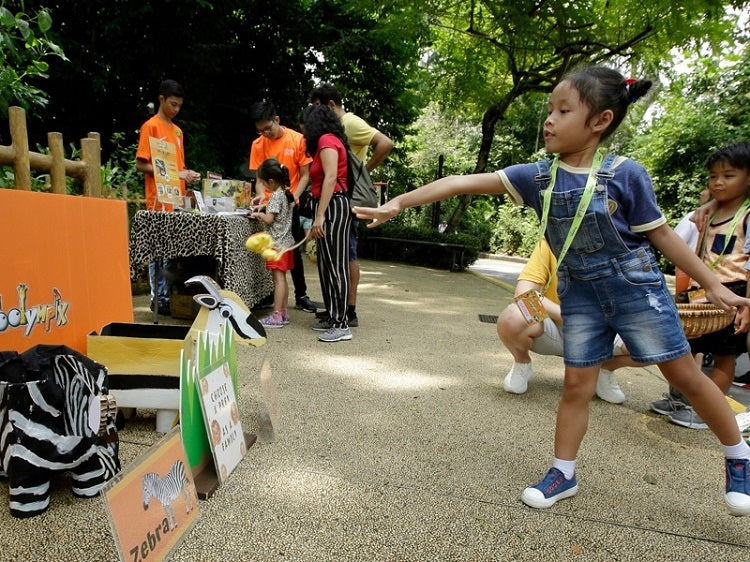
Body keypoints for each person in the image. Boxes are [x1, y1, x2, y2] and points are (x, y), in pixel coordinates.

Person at [354, 66, 750, 516]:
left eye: (564, 110)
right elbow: (463, 181)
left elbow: (663, 236)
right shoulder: (538, 176)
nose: (550, 120)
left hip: (635, 289)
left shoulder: (627, 174)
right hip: (578, 295)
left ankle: (739, 456)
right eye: (550, 110)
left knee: (684, 376)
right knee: (575, 385)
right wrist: (399, 202)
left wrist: (715, 285)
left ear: (600, 121)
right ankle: (564, 472)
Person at [651, 143, 750, 429]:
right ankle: (682, 400)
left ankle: (708, 411)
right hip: (700, 292)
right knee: (683, 348)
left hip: (733, 293)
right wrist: (707, 205)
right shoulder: (709, 212)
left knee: (723, 355)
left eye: (728, 176)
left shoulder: (745, 216)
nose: (718, 182)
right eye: (713, 176)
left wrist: (747, 307)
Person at [499, 239, 634, 403]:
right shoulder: (551, 240)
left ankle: (605, 370)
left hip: (600, 334)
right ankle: (522, 363)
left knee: (657, 335)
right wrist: (567, 315)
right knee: (514, 314)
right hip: (553, 328)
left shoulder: (619, 243)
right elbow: (524, 292)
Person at [308, 84, 395, 327]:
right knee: (339, 255)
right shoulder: (334, 132)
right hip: (341, 195)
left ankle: (348, 310)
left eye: (317, 108)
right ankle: (339, 308)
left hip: (344, 197)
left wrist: (363, 173)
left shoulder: (350, 123)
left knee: (346, 255)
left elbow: (385, 143)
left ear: (330, 105)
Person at [135, 79, 201, 315]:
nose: (176, 109)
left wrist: (186, 179)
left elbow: (178, 166)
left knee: (172, 251)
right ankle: (157, 297)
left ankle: (166, 295)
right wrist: (175, 173)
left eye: (179, 106)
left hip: (175, 198)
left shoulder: (177, 131)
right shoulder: (150, 126)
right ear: (161, 99)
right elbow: (141, 164)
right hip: (157, 200)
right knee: (158, 251)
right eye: (173, 104)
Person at [249, 101, 317, 314]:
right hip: (269, 204)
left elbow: (306, 174)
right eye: (260, 130)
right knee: (268, 249)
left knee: (292, 250)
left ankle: (301, 294)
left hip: (291, 203)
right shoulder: (257, 144)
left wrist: (292, 198)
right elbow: (259, 179)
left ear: (277, 120)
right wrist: (261, 196)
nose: (265, 134)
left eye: (268, 128)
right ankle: (270, 294)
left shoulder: (298, 139)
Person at [301, 104, 352, 343]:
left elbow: (331, 178)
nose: (303, 131)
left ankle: (342, 323)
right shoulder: (326, 141)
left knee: (336, 264)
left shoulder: (327, 140)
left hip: (333, 206)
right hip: (325, 205)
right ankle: (333, 316)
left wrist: (319, 216)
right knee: (325, 264)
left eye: (304, 126)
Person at [250, 159, 296, 329]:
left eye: (262, 182)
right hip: (286, 242)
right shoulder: (285, 192)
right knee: (282, 279)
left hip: (276, 244)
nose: (262, 185)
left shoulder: (276, 195)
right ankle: (283, 312)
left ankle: (276, 315)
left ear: (271, 181)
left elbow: (269, 219)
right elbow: (277, 212)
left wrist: (259, 215)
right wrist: (265, 208)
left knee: (277, 281)